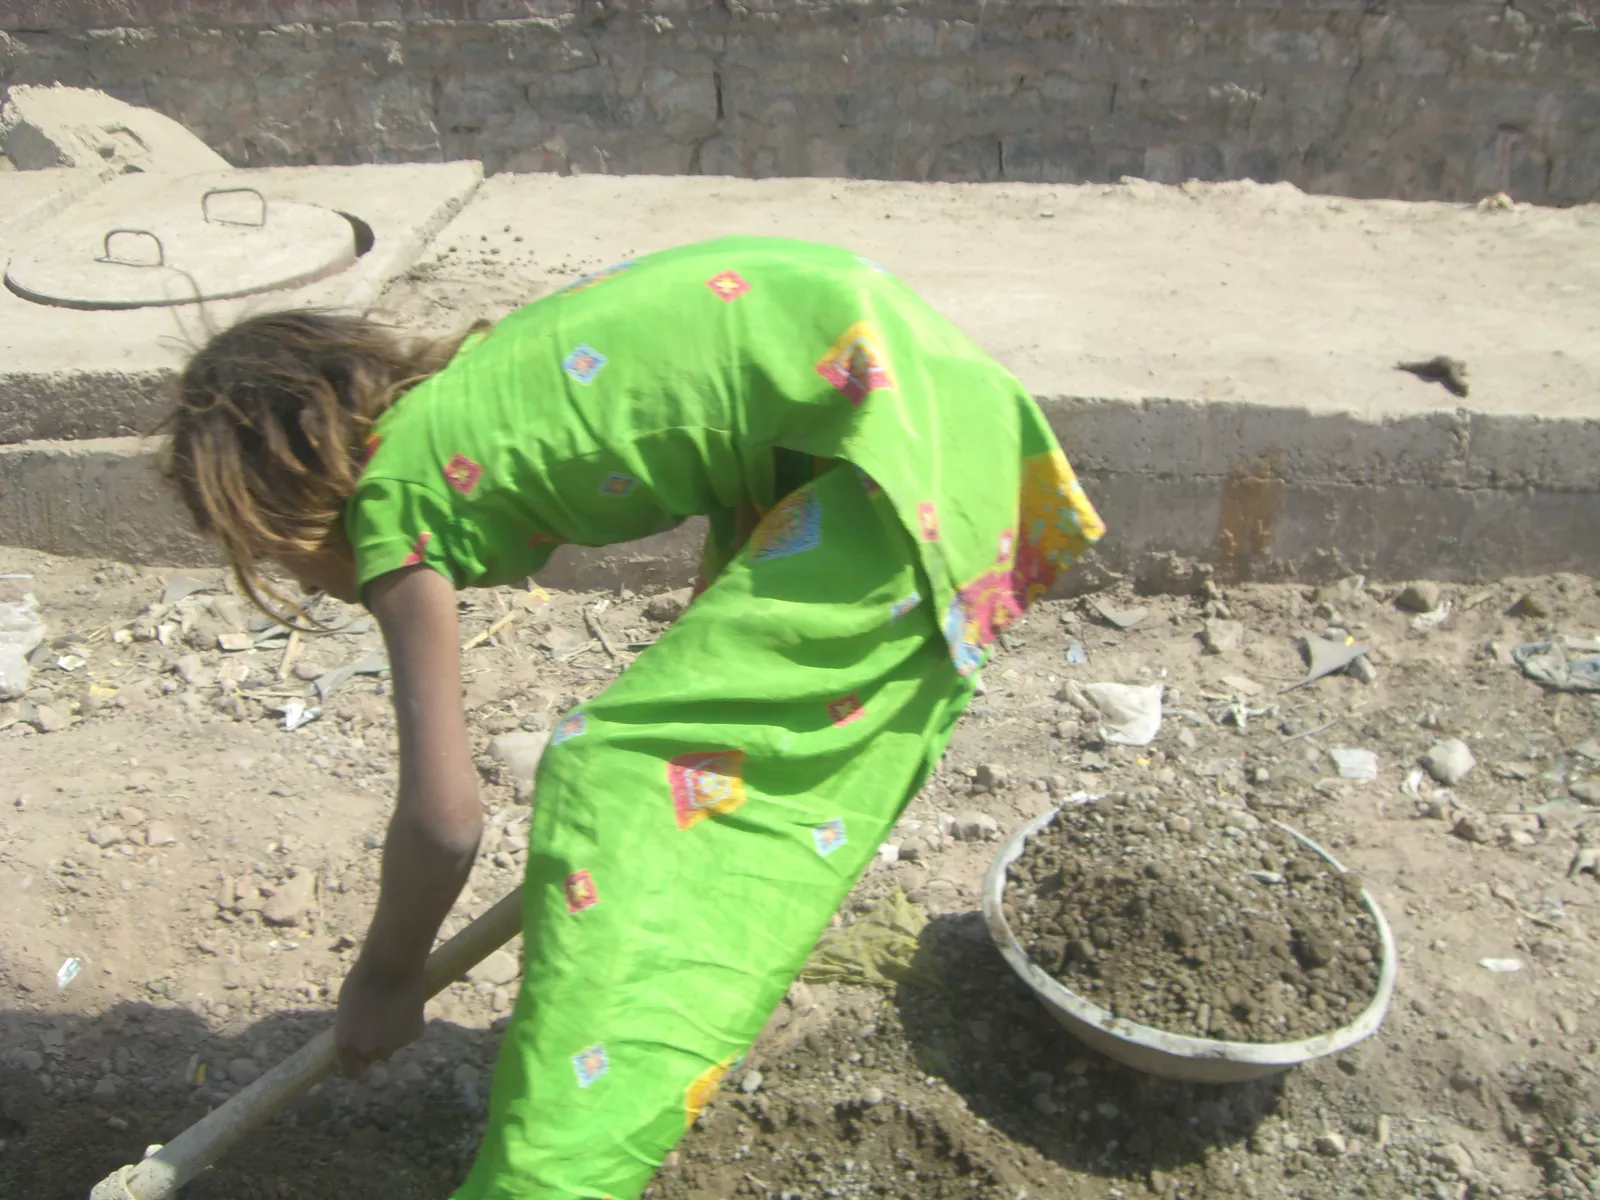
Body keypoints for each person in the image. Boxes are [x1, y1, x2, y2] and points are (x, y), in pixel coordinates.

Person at [163, 236, 1105, 1199]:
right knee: (688, 763)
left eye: (275, 559)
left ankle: (548, 1183)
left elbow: (443, 820)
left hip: (886, 447)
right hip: (878, 411)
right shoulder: (458, 406)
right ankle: (643, 1023)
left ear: (280, 501)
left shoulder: (393, 502)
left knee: (612, 774)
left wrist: (387, 976)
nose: (307, 584)